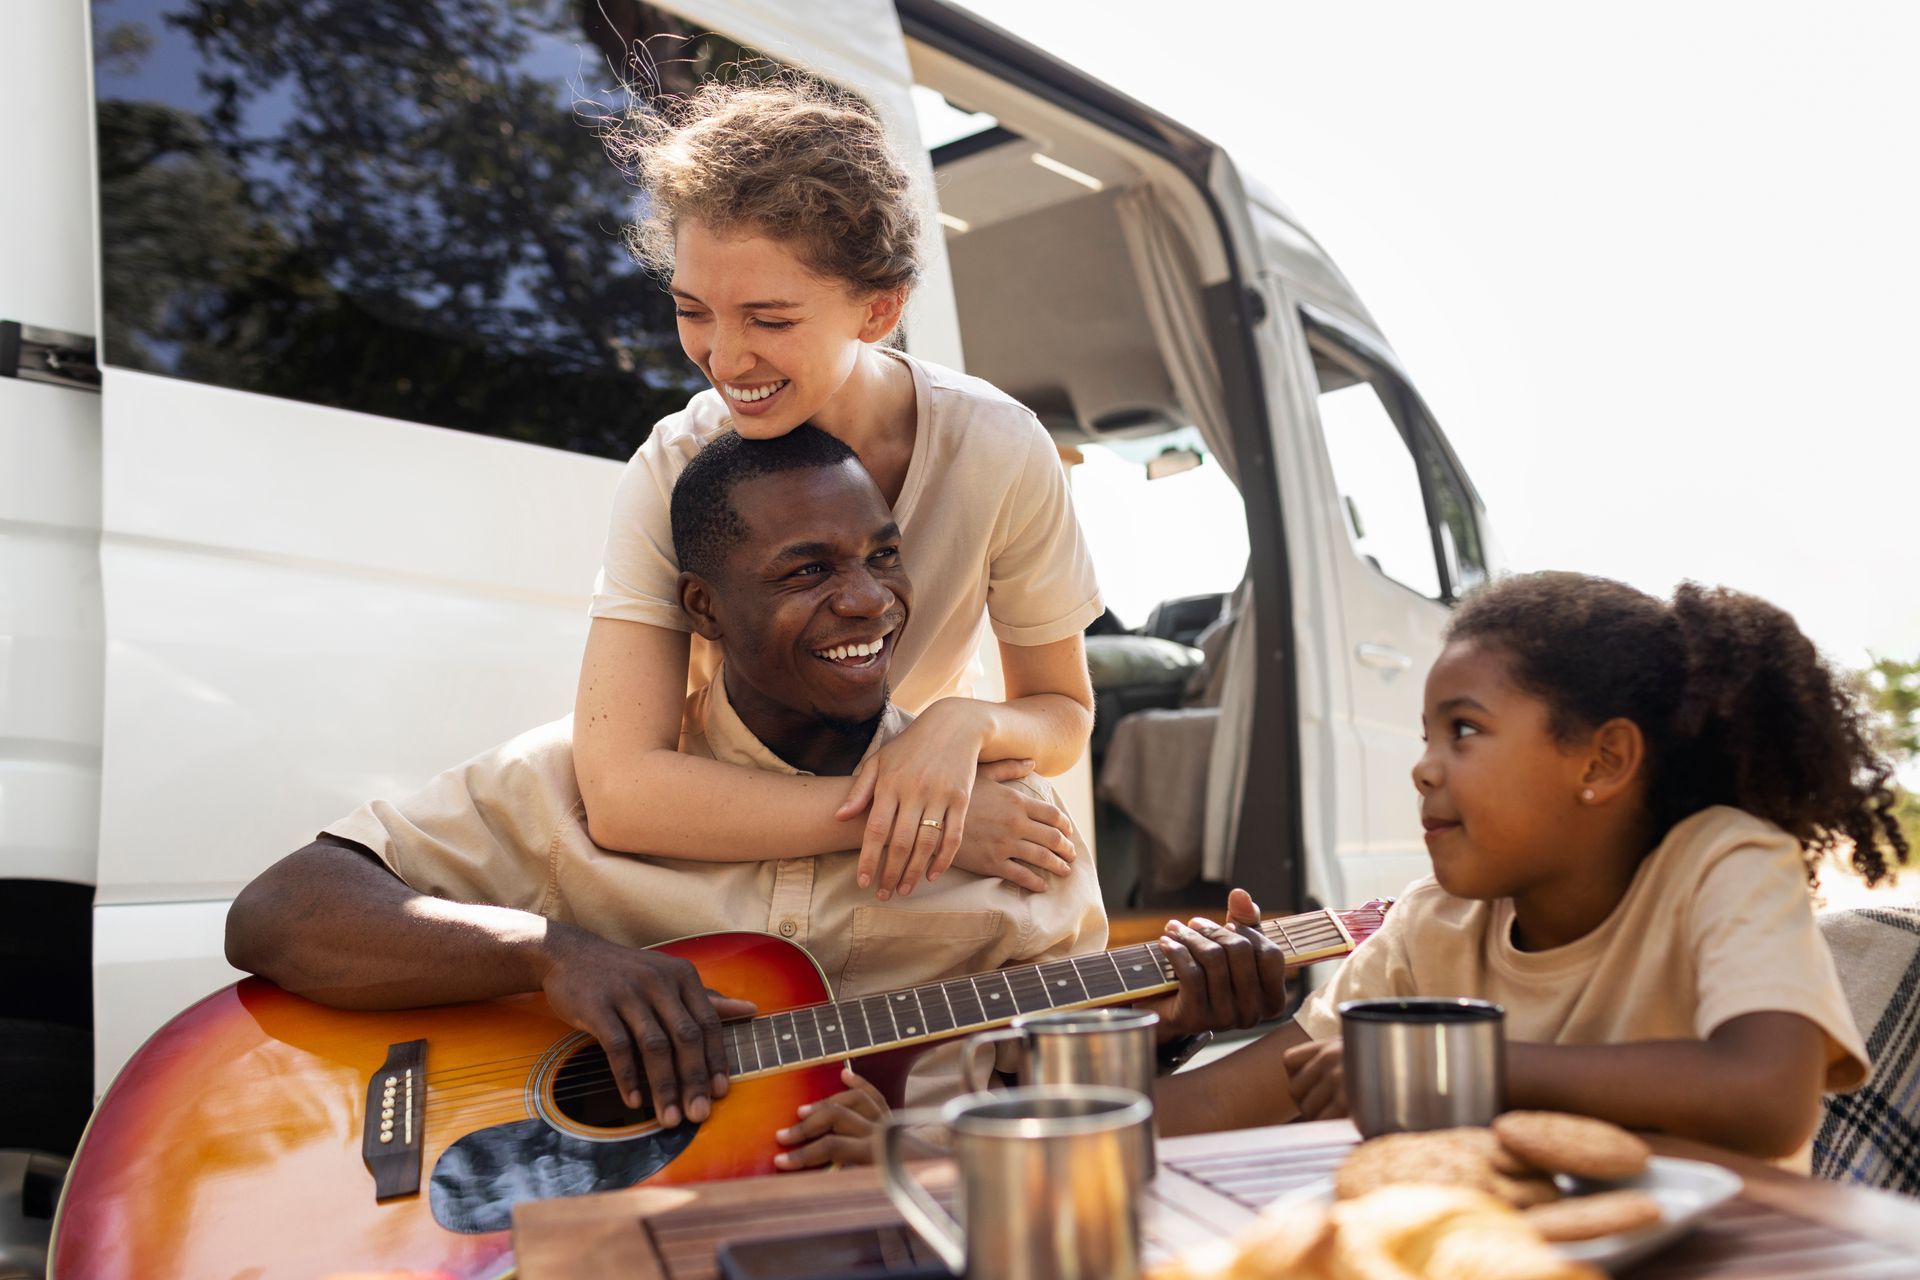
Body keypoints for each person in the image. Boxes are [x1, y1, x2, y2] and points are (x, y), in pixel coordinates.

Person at [225, 427, 1107, 1171]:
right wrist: (551, 955)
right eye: (807, 572)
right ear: (704, 609)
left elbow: (1080, 1110)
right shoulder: (572, 781)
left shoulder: (1015, 833)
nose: (870, 600)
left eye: (884, 556)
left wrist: (913, 1153)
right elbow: (278, 913)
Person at [1151, 572, 1906, 1161]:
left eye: (1464, 730)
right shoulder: (1431, 929)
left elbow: (1766, 1096)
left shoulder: (1723, 865)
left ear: (1603, 760)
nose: (1423, 769)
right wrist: (1118, 1065)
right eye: (1425, 738)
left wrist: (1457, 1065)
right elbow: (1223, 1107)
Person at [577, 77, 1101, 901]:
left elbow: (1062, 714)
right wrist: (923, 816)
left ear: (879, 309)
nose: (723, 357)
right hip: (732, 839)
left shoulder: (997, 446)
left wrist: (966, 724)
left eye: (770, 320)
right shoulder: (678, 461)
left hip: (896, 870)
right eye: (692, 310)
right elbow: (621, 792)